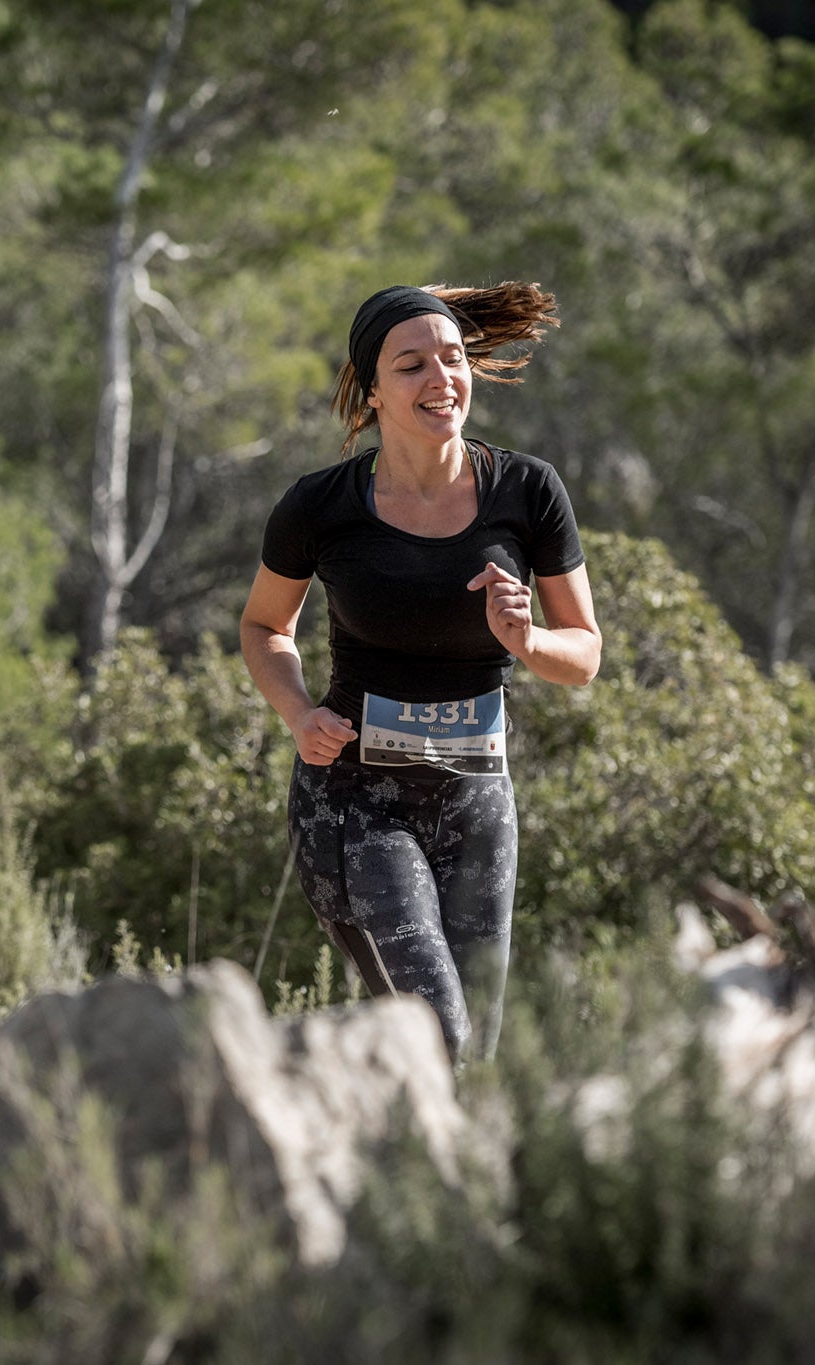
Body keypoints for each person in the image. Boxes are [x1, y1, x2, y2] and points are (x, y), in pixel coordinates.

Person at [239, 283, 603, 1065]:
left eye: (453, 358)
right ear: (372, 390)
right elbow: (265, 624)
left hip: (478, 801)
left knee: (476, 1055)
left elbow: (584, 652)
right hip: (358, 807)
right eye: (412, 365)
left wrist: (527, 638)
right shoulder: (321, 507)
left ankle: (422, 1180)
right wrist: (301, 714)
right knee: (438, 1030)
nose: (442, 378)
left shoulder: (528, 491)